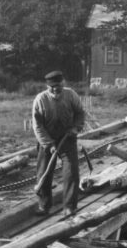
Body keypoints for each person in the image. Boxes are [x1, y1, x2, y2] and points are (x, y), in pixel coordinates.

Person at [31, 70, 86, 217]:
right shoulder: (40, 100)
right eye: (52, 87)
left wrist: (76, 127)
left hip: (67, 138)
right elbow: (37, 126)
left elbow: (80, 113)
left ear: (63, 83)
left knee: (71, 172)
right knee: (44, 172)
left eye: (59, 86)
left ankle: (69, 207)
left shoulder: (71, 95)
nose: (56, 89)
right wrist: (49, 144)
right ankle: (44, 205)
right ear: (47, 86)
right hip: (47, 139)